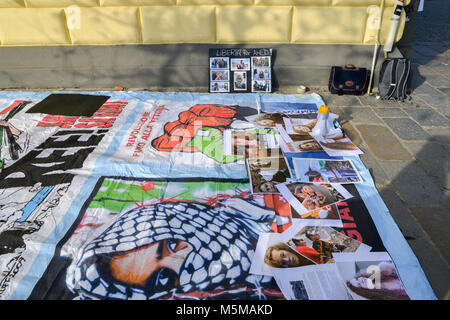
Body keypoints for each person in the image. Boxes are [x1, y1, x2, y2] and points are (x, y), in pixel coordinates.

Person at [68, 196, 280, 300]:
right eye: (163, 277)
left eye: (170, 245)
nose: (185, 252)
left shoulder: (239, 208)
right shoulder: (264, 281)